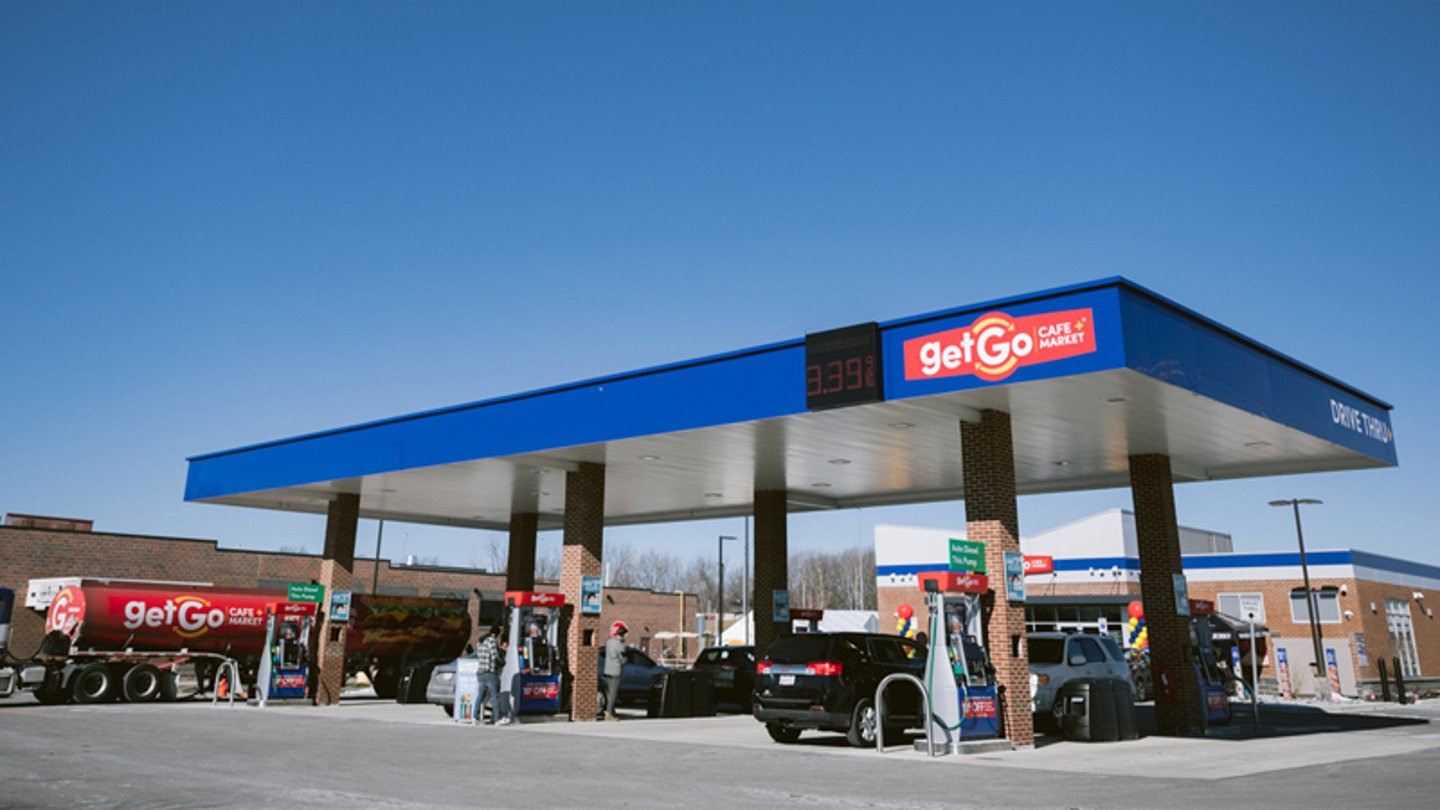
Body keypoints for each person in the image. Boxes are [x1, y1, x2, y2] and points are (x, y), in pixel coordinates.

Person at [475, 625, 506, 726]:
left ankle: (475, 717)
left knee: (480, 696)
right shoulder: (491, 641)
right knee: (494, 696)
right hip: (490, 672)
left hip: (480, 672)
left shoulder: (480, 641)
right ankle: (497, 718)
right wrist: (502, 662)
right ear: (496, 633)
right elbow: (494, 656)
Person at [603, 621, 628, 721]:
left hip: (607, 669)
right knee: (614, 693)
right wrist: (625, 660)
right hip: (616, 670)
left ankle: (610, 710)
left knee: (609, 692)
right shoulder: (620, 644)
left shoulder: (609, 642)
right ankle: (609, 713)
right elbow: (622, 659)